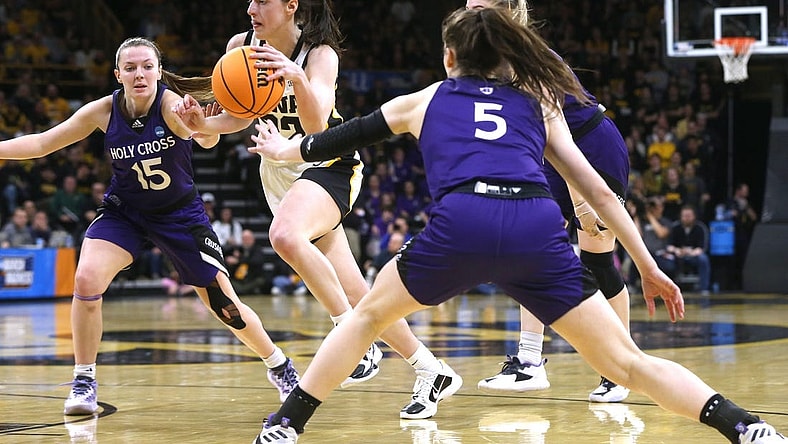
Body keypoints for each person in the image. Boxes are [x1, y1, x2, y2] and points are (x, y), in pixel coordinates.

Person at [247, 8, 785, 444]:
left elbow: (334, 141)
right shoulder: (539, 103)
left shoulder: (426, 98)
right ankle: (743, 426)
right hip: (535, 227)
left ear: (449, 57)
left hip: (462, 224)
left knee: (366, 318)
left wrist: (281, 148)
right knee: (627, 362)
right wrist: (647, 264)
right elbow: (599, 192)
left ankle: (285, 425)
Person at [174, 0, 460, 419]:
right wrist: (202, 124)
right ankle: (430, 370)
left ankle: (351, 337)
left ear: (291, 5)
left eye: (262, 0)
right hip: (279, 173)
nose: (251, 8)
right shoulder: (241, 46)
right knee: (358, 291)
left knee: (285, 236)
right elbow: (239, 116)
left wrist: (296, 78)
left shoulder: (319, 54)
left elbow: (317, 128)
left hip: (326, 162)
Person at [0, 37, 299, 416]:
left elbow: (213, 136)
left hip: (179, 215)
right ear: (118, 75)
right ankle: (83, 381)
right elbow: (42, 143)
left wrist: (202, 126)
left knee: (226, 307)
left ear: (159, 72)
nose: (139, 74)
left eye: (146, 67)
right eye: (130, 68)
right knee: (87, 279)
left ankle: (279, 366)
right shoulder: (103, 111)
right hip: (125, 211)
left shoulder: (172, 106)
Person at [468, 0, 634, 403]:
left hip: (590, 147)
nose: (470, 12)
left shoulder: (523, 56)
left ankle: (621, 369)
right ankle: (529, 362)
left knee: (597, 261)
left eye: (479, 5)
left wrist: (581, 203)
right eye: (467, 5)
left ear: (505, 11)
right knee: (529, 249)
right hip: (551, 155)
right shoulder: (487, 57)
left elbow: (559, 135)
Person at [666, 205, 711, 295]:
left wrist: (690, 252)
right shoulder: (675, 227)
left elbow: (702, 247)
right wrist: (677, 250)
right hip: (678, 255)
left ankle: (704, 288)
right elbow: (668, 246)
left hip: (694, 255)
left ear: (694, 216)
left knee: (703, 259)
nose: (686, 218)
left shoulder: (700, 228)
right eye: (684, 216)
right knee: (667, 260)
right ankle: (670, 288)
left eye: (689, 216)